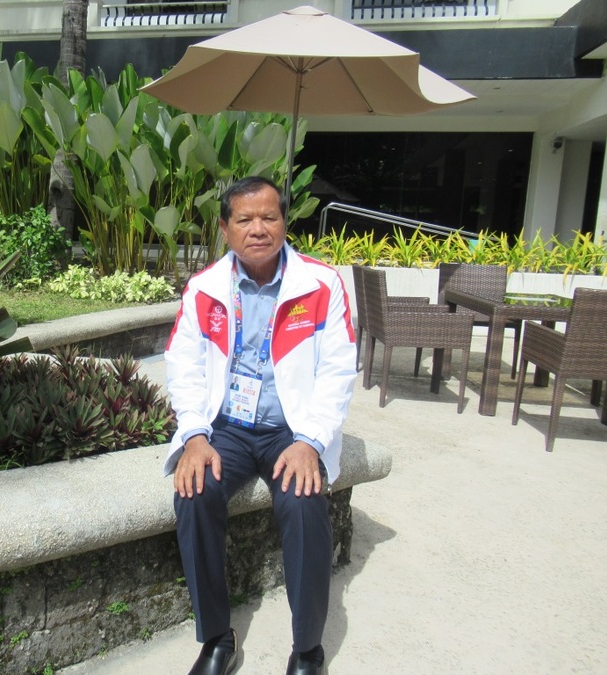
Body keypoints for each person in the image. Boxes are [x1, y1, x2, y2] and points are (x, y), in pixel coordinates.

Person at [164, 176, 357, 675]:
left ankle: (308, 649)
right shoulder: (204, 288)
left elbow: (338, 370)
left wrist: (310, 442)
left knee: (304, 501)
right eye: (245, 219)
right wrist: (195, 435)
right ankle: (216, 639)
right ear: (224, 228)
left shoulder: (321, 284)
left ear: (285, 222)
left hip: (290, 430)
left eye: (269, 217)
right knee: (194, 493)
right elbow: (183, 366)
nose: (258, 229)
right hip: (225, 428)